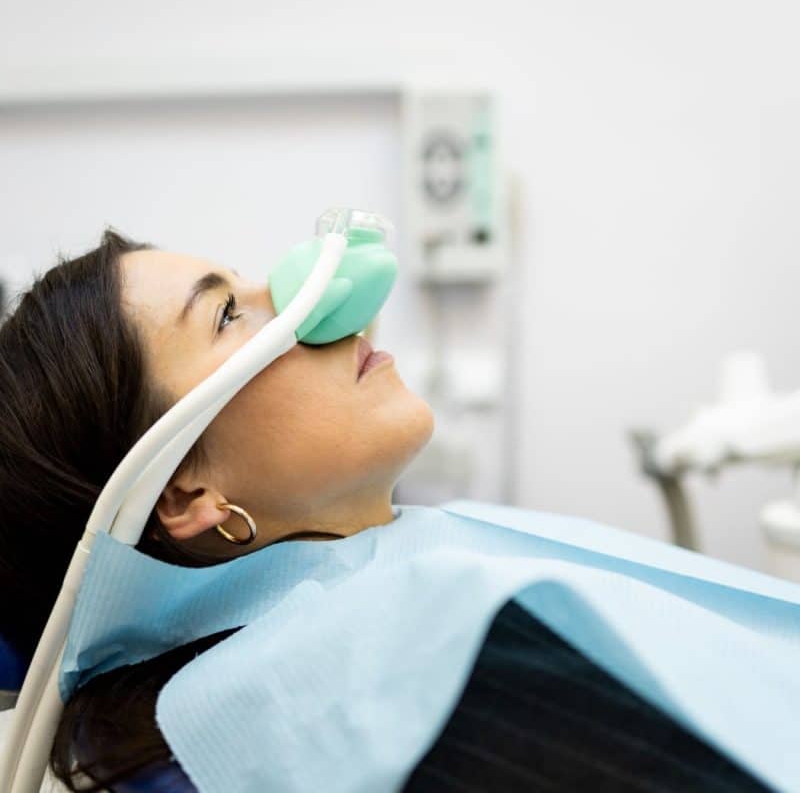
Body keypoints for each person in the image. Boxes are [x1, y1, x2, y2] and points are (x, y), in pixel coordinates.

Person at [0, 231, 768, 791]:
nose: (321, 301)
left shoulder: (415, 585)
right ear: (186, 494)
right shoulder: (392, 689)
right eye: (230, 314)